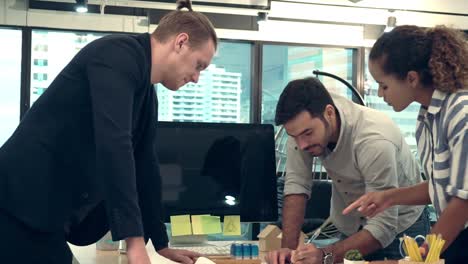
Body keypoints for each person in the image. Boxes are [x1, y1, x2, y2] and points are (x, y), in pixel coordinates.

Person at [0, 0, 217, 263]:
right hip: (15, 202)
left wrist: (160, 243)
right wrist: (134, 243)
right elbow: (115, 145)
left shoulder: (147, 93)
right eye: (199, 65)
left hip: (46, 213)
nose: (196, 78)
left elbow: (145, 165)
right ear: (180, 42)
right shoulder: (116, 55)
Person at [266, 77, 429, 264]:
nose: (301, 145)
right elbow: (296, 186)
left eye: (308, 134)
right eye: (294, 137)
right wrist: (288, 249)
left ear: (329, 113)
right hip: (352, 227)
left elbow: (383, 226)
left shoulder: (374, 140)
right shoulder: (302, 128)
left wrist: (325, 255)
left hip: (402, 227)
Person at [344, 25, 468, 263]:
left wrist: (423, 255)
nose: (381, 94)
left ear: (411, 78)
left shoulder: (460, 113)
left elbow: (463, 200)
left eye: (384, 85)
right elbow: (440, 186)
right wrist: (388, 197)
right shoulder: (426, 119)